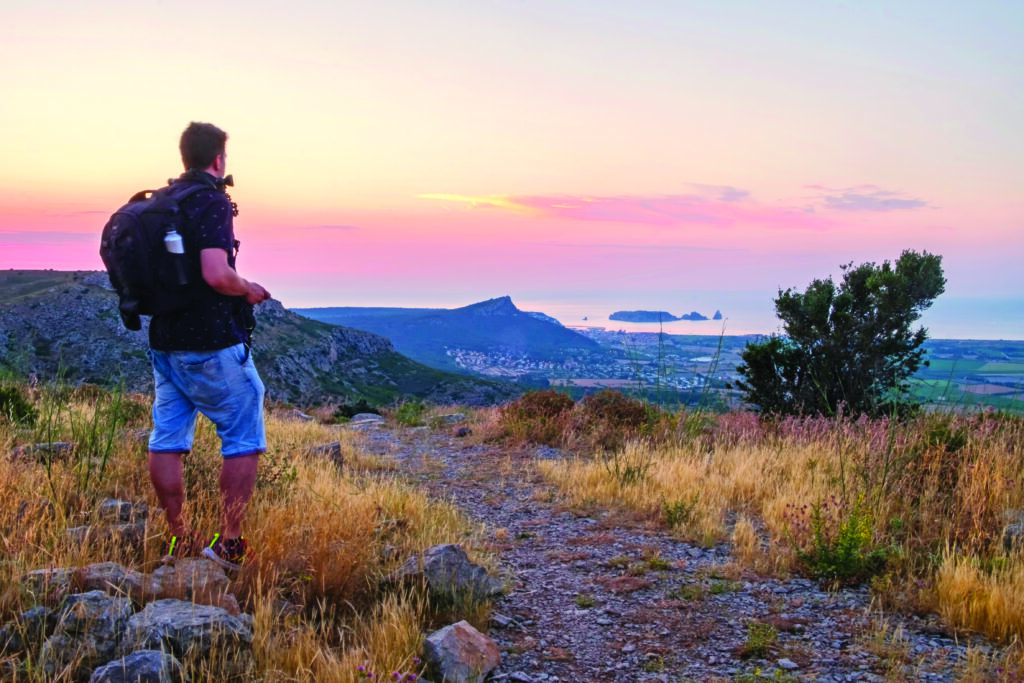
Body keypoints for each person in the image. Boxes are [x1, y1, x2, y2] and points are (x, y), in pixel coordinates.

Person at [147, 121, 271, 570]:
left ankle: (179, 538)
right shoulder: (210, 200)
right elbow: (217, 274)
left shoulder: (162, 202)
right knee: (241, 437)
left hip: (164, 341)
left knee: (167, 438)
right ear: (218, 159)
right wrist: (247, 288)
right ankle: (230, 544)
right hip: (210, 342)